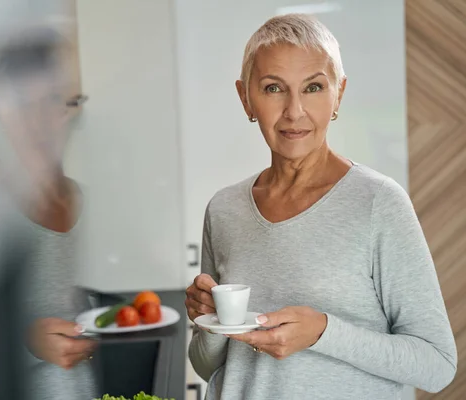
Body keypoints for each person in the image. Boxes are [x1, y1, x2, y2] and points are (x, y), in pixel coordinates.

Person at [185, 14, 457, 400]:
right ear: (246, 97)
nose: (294, 111)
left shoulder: (378, 202)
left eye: (313, 87)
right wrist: (208, 322)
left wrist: (324, 332)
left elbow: (436, 365)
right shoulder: (224, 209)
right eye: (274, 88)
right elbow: (208, 365)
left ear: (338, 94)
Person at [0, 25, 97, 400]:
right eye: (24, 102)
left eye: (53, 99)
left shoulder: (83, 201)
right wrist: (27, 339)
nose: (39, 119)